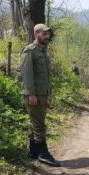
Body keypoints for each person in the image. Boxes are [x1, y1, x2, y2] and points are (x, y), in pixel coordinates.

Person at [20, 23, 61, 167]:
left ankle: (34, 152)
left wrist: (49, 93)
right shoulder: (29, 51)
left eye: (48, 34)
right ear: (36, 34)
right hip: (34, 94)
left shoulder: (43, 51)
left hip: (43, 94)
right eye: (44, 34)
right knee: (39, 125)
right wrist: (31, 94)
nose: (47, 36)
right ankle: (44, 154)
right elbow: (27, 75)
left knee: (36, 123)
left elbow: (47, 76)